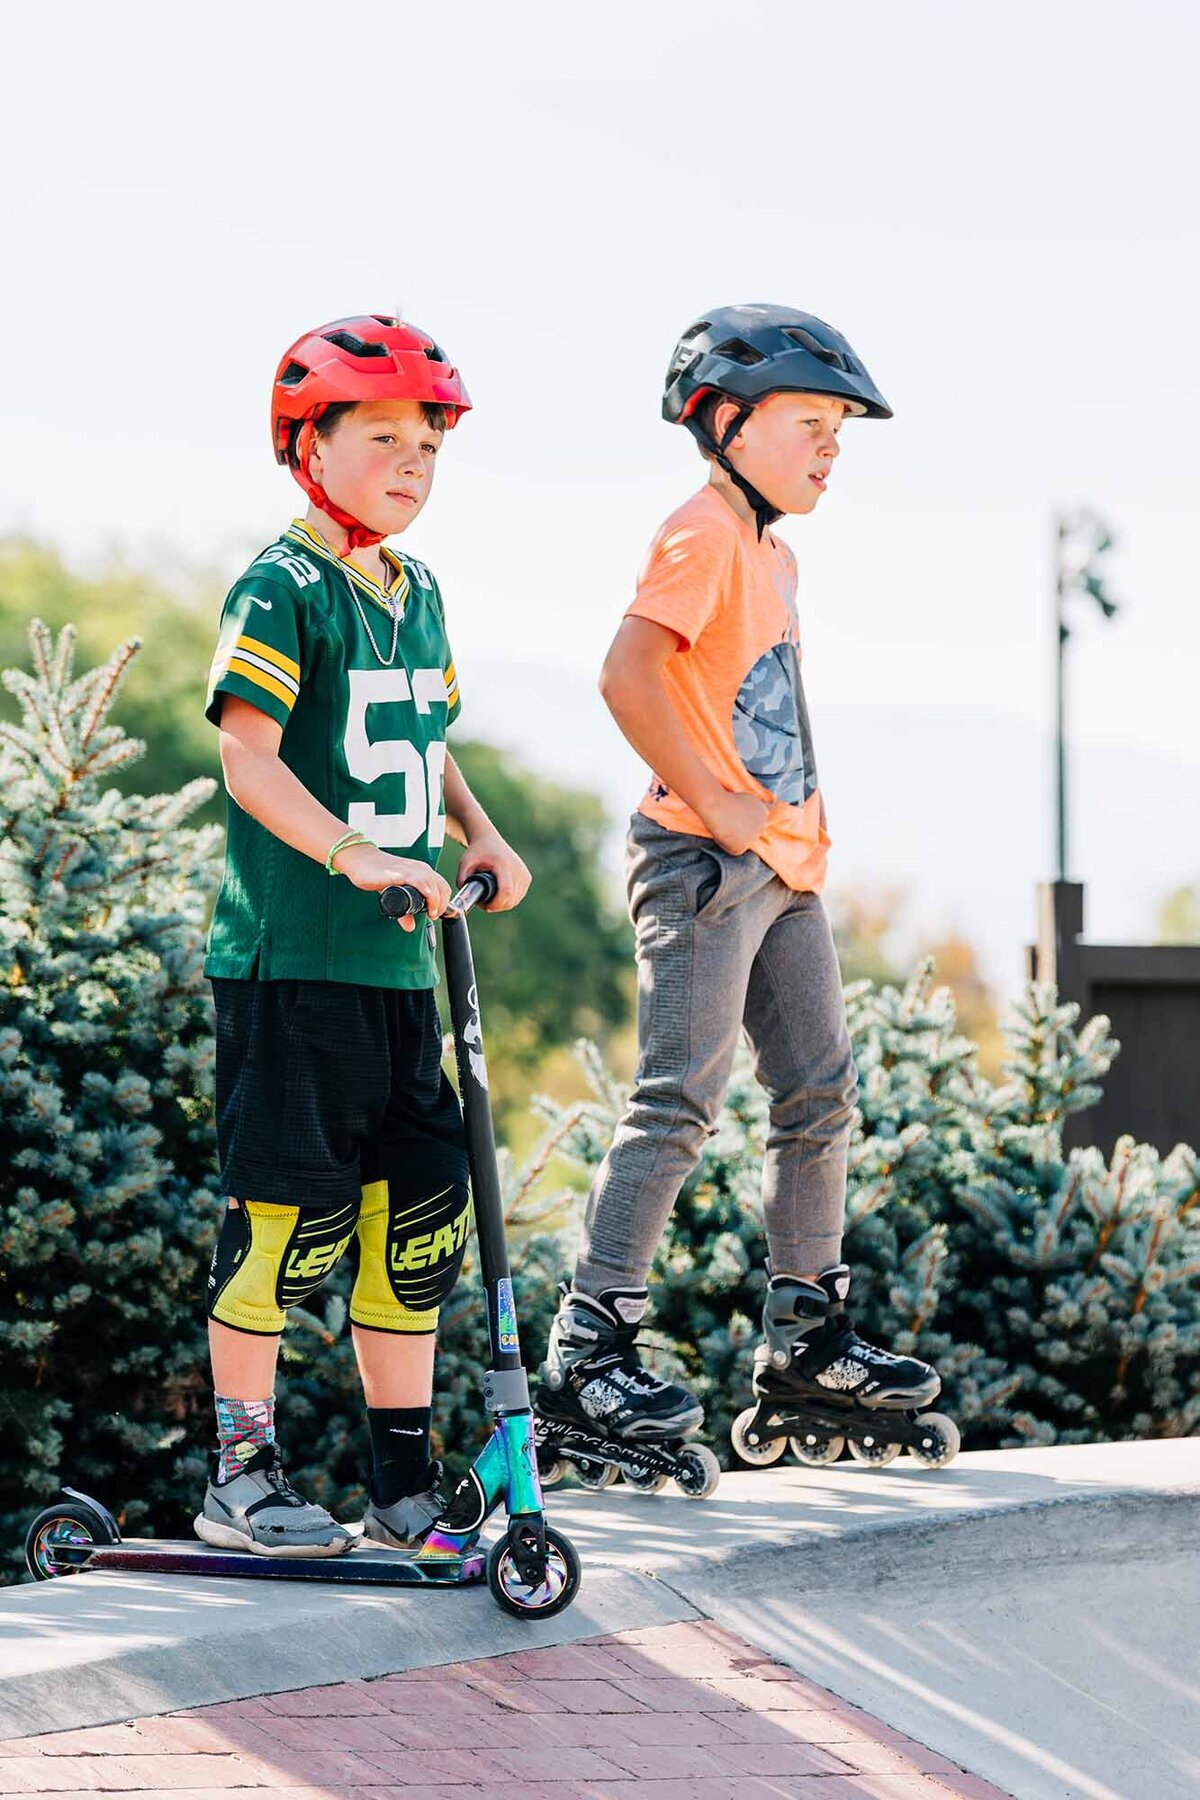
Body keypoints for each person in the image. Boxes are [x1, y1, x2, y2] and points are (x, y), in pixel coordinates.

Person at [536, 304, 940, 1450]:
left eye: (839, 430)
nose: (829, 445)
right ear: (724, 421)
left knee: (818, 1094)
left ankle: (807, 1336)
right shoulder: (704, 528)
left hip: (784, 866)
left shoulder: (775, 550)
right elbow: (629, 674)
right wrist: (715, 806)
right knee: (677, 1097)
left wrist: (777, 830)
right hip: (706, 861)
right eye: (809, 421)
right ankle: (590, 1346)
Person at [198, 315, 530, 1556]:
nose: (413, 462)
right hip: (294, 965)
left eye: (429, 444)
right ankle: (241, 1477)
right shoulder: (280, 585)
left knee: (420, 1219)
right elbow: (247, 756)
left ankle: (402, 1483)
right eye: (382, 437)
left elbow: (423, 742)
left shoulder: (417, 589)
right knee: (282, 1222)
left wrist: (478, 834)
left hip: (403, 962)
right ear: (308, 446)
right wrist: (351, 852)